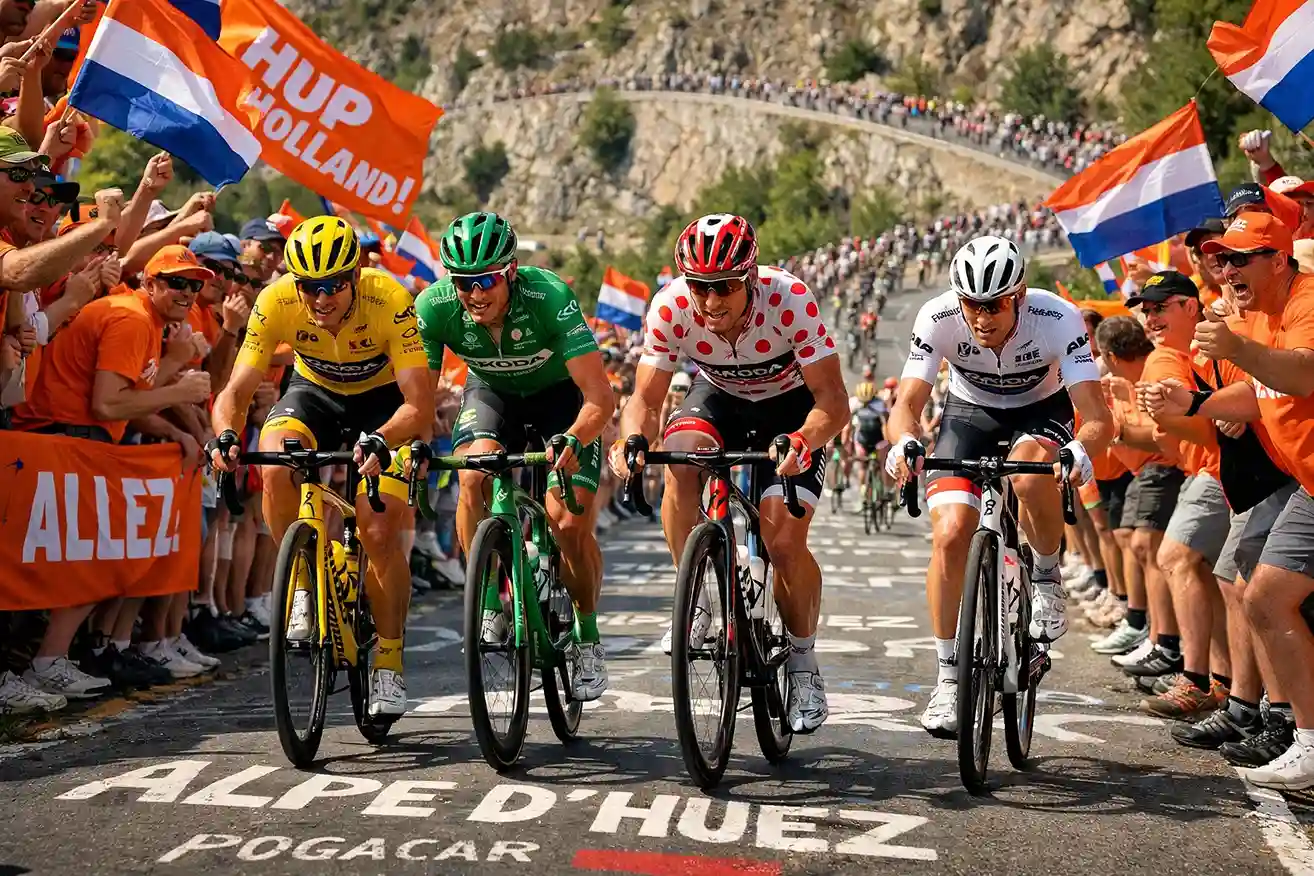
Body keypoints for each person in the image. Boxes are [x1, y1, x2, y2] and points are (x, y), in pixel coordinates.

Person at [608, 213, 849, 734]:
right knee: (679, 457)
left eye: (723, 288)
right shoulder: (672, 305)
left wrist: (804, 440)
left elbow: (833, 401)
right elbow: (645, 399)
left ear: (751, 278)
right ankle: (694, 592)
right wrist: (631, 441)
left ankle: (804, 662)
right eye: (700, 287)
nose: (710, 301)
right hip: (718, 398)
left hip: (790, 409)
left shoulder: (789, 298)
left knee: (783, 544)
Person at [885, 235, 1114, 737]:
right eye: (971, 305)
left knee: (1029, 469)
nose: (981, 317)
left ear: (1020, 296)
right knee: (949, 534)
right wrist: (903, 441)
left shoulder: (1058, 319)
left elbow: (1098, 417)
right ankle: (948, 676)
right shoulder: (938, 317)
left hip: (1042, 411)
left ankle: (1048, 577)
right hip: (970, 414)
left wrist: (1080, 449)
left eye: (994, 305)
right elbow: (907, 403)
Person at [208, 216, 434, 718]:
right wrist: (225, 434)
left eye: (333, 285)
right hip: (315, 395)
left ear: (355, 276)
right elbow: (236, 391)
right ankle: (303, 586)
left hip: (383, 405)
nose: (321, 298)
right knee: (273, 466)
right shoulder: (275, 301)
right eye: (310, 286)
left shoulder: (389, 299)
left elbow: (419, 404)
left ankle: (390, 665)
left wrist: (382, 438)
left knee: (377, 532)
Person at [414, 210, 615, 702]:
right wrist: (416, 445)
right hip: (492, 393)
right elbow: (416, 399)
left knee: (567, 524)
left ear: (509, 272)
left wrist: (572, 438)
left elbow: (600, 398)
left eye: (485, 280)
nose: (475, 294)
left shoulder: (550, 298)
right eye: (463, 282)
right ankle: (487, 600)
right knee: (471, 476)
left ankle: (586, 634)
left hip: (560, 401)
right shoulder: (435, 307)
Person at [851, 379, 889, 504]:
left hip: (878, 439)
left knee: (882, 464)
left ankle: (885, 489)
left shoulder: (879, 404)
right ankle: (864, 490)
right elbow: (848, 425)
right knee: (863, 465)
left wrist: (887, 439)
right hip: (863, 439)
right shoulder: (855, 403)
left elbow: (885, 424)